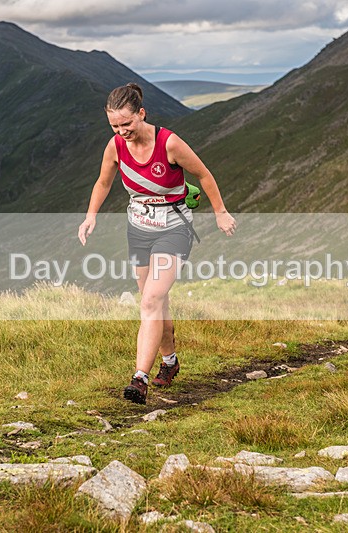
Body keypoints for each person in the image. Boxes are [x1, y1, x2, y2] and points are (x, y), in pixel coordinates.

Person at [78, 83, 236, 404]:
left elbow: (204, 175)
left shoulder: (170, 143)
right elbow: (103, 181)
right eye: (115, 126)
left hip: (174, 227)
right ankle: (170, 361)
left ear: (141, 113)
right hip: (138, 228)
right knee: (155, 302)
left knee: (150, 300)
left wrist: (220, 212)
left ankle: (140, 378)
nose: (122, 131)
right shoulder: (115, 147)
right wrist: (90, 216)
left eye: (127, 124)